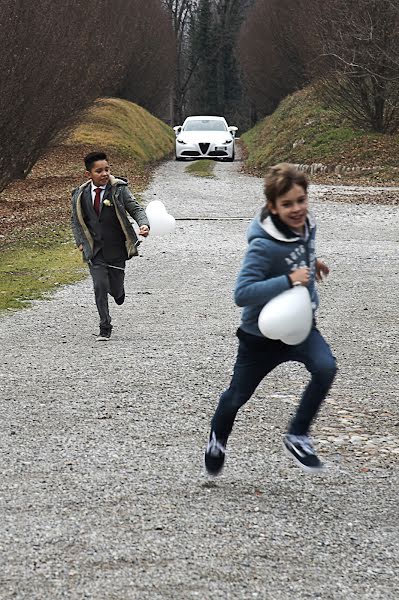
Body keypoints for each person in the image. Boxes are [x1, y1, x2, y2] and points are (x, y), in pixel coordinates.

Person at [204, 163, 337, 475]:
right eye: (287, 204)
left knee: (326, 366)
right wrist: (290, 279)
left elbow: (296, 252)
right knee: (237, 395)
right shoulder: (262, 245)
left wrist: (311, 262)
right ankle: (217, 439)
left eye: (301, 200)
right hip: (259, 336)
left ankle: (298, 434)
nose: (297, 209)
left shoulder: (307, 225)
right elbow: (242, 293)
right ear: (273, 208)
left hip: (301, 325)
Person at [71, 151, 150, 340]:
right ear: (88, 175)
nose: (105, 174)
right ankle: (105, 326)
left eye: (107, 169)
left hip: (116, 248)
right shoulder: (79, 194)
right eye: (99, 171)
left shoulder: (118, 189)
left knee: (114, 288)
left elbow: (135, 208)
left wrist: (143, 224)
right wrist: (81, 243)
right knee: (99, 285)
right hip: (94, 249)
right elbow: (75, 221)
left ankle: (118, 291)